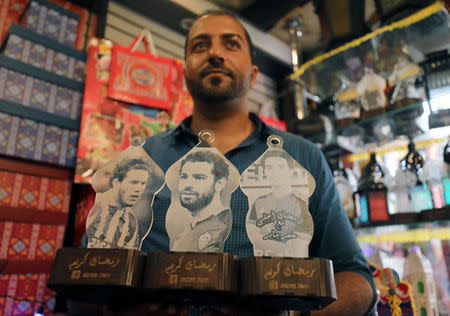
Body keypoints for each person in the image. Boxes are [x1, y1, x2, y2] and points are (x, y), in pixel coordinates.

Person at [72, 9, 375, 316]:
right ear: (184, 71)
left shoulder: (304, 157)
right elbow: (83, 283)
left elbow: (357, 281)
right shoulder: (140, 159)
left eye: (231, 44)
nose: (215, 53)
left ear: (254, 74)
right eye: (200, 46)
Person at [247, 150, 313, 258]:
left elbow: (299, 244)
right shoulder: (259, 203)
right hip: (262, 265)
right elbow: (254, 236)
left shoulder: (299, 204)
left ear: (289, 170)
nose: (275, 173)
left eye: (281, 167)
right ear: (264, 172)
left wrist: (266, 243)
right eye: (269, 168)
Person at [169, 150, 232, 252]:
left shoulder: (224, 225)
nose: (187, 184)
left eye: (199, 178)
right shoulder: (184, 233)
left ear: (219, 183)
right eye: (183, 177)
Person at [86, 158, 150, 249]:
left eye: (143, 183)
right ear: (116, 182)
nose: (138, 189)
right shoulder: (100, 211)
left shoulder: (131, 219)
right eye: (133, 182)